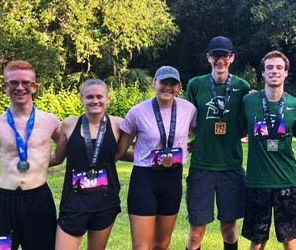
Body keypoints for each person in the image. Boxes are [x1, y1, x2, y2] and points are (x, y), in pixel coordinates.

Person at [0, 60, 61, 249]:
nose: (20, 87)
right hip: (3, 203)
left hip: (39, 202)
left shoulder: (50, 122)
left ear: (35, 87)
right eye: (14, 83)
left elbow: (68, 150)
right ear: (5, 87)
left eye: (26, 83)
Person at [241, 50, 296, 250]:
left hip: (287, 181)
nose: (274, 71)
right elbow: (237, 132)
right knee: (257, 240)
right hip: (257, 181)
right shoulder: (248, 101)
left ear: (286, 73)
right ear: (262, 73)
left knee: (291, 240)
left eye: (279, 67)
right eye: (269, 67)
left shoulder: (295, 105)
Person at [116, 66, 197, 250]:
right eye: (163, 82)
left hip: (172, 179)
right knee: (141, 246)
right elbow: (120, 151)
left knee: (161, 244)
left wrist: (189, 147)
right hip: (145, 179)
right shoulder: (137, 112)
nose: (167, 87)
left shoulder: (188, 109)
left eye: (172, 84)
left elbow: (201, 132)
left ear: (179, 87)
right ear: (154, 83)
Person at [184, 36, 250, 250]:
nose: (219, 60)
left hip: (230, 166)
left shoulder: (242, 86)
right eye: (215, 55)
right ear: (208, 57)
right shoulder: (196, 84)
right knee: (196, 232)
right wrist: (197, 139)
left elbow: (245, 123)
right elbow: (188, 120)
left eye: (224, 55)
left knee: (229, 228)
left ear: (232, 58)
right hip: (202, 166)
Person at [50, 79, 124, 250]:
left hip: (105, 199)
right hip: (74, 200)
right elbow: (58, 158)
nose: (95, 101)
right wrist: (29, 161)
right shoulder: (69, 124)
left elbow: (123, 153)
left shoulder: (118, 124)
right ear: (81, 99)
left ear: (108, 99)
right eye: (89, 97)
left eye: (99, 96)